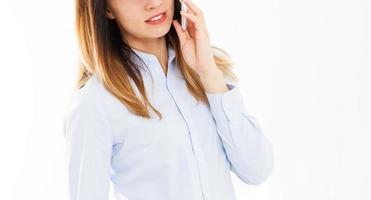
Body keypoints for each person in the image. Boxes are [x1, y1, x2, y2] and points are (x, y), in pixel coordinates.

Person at [62, 0, 274, 199]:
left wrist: (209, 74)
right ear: (107, 9)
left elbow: (256, 169)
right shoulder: (94, 103)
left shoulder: (205, 68)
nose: (154, 3)